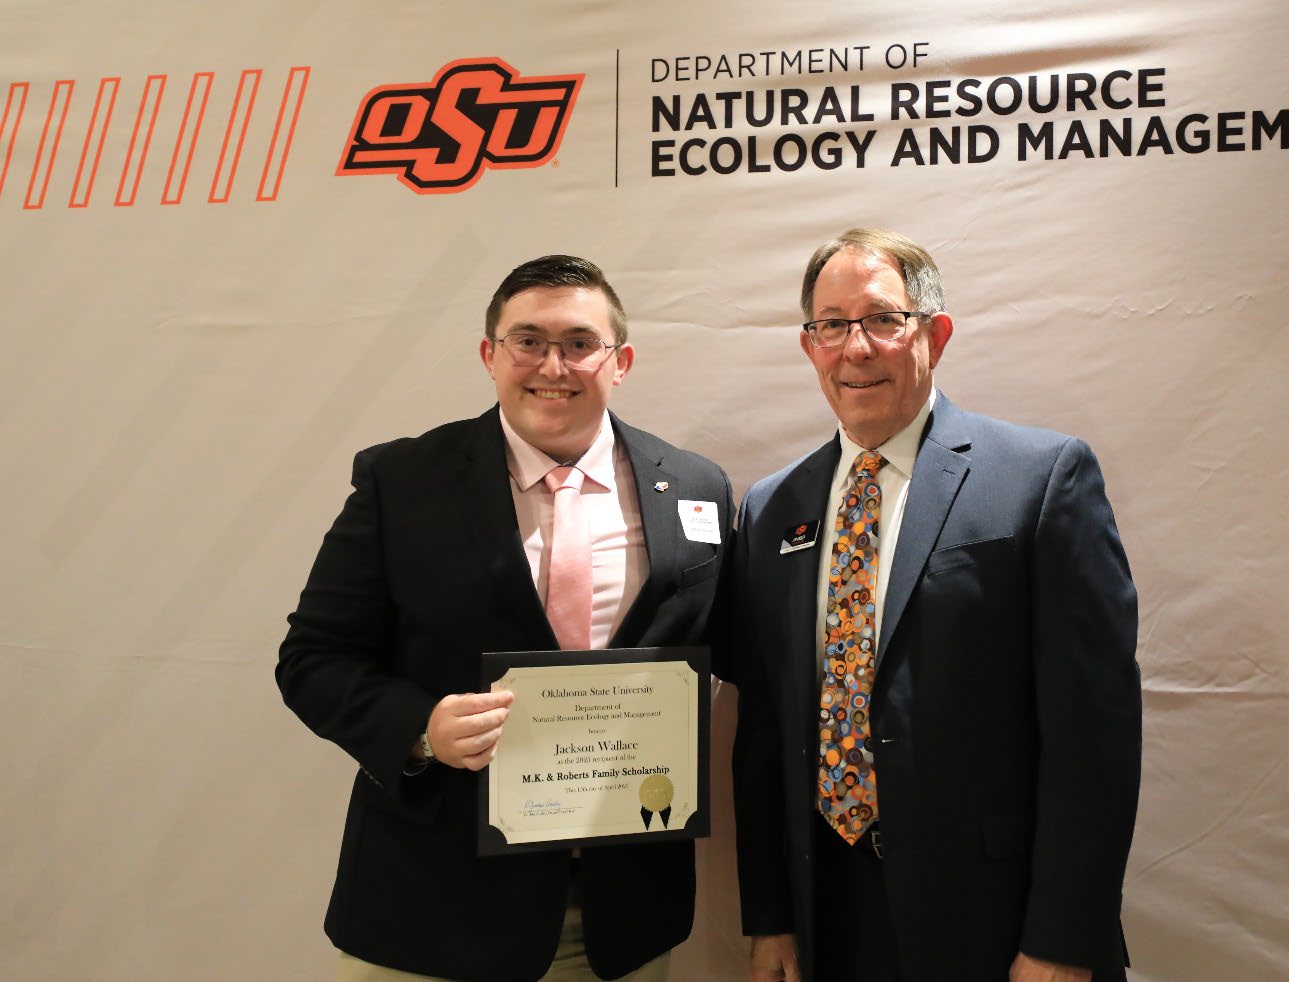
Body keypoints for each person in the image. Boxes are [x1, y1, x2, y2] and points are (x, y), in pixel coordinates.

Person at [277, 255, 732, 982]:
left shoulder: (695, 487)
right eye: (528, 341)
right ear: (490, 355)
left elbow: (724, 645)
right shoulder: (403, 483)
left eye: (580, 343)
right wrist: (422, 728)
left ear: (620, 363)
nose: (553, 365)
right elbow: (313, 658)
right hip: (434, 911)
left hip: (624, 914)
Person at [722, 229, 1140, 981]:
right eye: (832, 325)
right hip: (829, 912)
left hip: (994, 918)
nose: (856, 348)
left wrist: (1061, 939)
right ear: (810, 346)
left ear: (935, 335)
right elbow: (764, 734)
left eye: (883, 319)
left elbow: (1095, 733)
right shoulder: (770, 508)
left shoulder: (1041, 479)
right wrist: (772, 916)